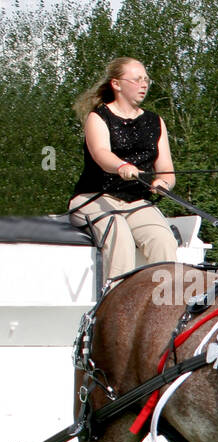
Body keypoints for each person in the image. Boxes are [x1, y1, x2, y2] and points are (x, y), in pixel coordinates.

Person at [68, 57, 177, 286]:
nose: (144, 84)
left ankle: (167, 308)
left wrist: (163, 184)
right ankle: (117, 308)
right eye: (137, 80)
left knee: (163, 240)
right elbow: (101, 154)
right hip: (95, 197)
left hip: (136, 201)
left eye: (146, 79)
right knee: (120, 239)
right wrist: (121, 166)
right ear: (116, 84)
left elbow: (166, 170)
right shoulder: (98, 117)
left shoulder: (155, 122)